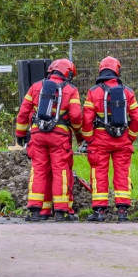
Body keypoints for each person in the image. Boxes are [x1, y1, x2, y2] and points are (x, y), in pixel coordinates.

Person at [15, 58, 83, 222]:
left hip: (38, 136)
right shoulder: (71, 90)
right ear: (68, 74)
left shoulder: (36, 87)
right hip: (59, 137)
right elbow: (75, 116)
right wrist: (80, 136)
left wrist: (20, 135)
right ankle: (61, 211)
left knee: (38, 170)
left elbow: (23, 113)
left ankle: (35, 211)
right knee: (60, 171)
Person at [81, 56, 138, 222]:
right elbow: (136, 117)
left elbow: (86, 119)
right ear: (117, 70)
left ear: (101, 70)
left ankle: (99, 211)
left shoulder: (94, 92)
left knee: (99, 173)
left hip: (99, 139)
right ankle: (122, 212)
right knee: (122, 173)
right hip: (122, 139)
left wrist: (88, 138)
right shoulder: (128, 92)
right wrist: (131, 137)